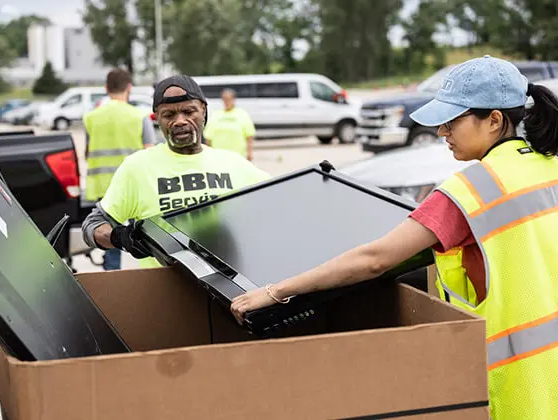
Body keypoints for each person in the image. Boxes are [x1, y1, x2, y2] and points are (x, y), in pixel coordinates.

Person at [230, 55, 558, 419]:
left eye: (452, 120)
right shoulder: (550, 165)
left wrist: (276, 291)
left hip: (518, 385)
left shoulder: (471, 191)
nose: (441, 132)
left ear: (494, 120)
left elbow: (375, 260)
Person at [81, 75, 270, 269]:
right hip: (163, 292)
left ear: (203, 111)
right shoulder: (137, 167)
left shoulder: (234, 164)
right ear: (157, 118)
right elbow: (92, 225)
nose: (180, 121)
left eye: (189, 111)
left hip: (230, 289)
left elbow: (281, 203)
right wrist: (122, 237)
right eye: (169, 115)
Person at [84, 68, 158, 271]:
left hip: (102, 185)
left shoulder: (91, 117)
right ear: (129, 88)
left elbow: (88, 153)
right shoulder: (140, 116)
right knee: (144, 236)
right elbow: (150, 154)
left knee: (110, 235)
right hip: (135, 186)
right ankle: (150, 274)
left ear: (106, 88)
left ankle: (113, 277)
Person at [203, 88, 255, 160]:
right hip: (219, 156)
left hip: (238, 156)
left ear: (233, 99)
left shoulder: (242, 114)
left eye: (228, 99)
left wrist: (250, 153)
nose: (226, 101)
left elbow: (249, 136)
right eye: (224, 99)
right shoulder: (216, 115)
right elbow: (208, 137)